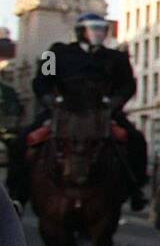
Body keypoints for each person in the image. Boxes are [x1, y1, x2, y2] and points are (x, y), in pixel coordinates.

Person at [8, 13, 148, 211]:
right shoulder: (56, 52)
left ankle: (136, 190)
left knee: (136, 140)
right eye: (94, 29)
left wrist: (113, 103)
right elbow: (41, 81)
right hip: (63, 111)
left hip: (102, 112)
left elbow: (127, 86)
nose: (99, 34)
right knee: (23, 140)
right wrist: (51, 100)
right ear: (81, 32)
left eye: (102, 30)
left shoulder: (116, 57)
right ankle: (17, 195)